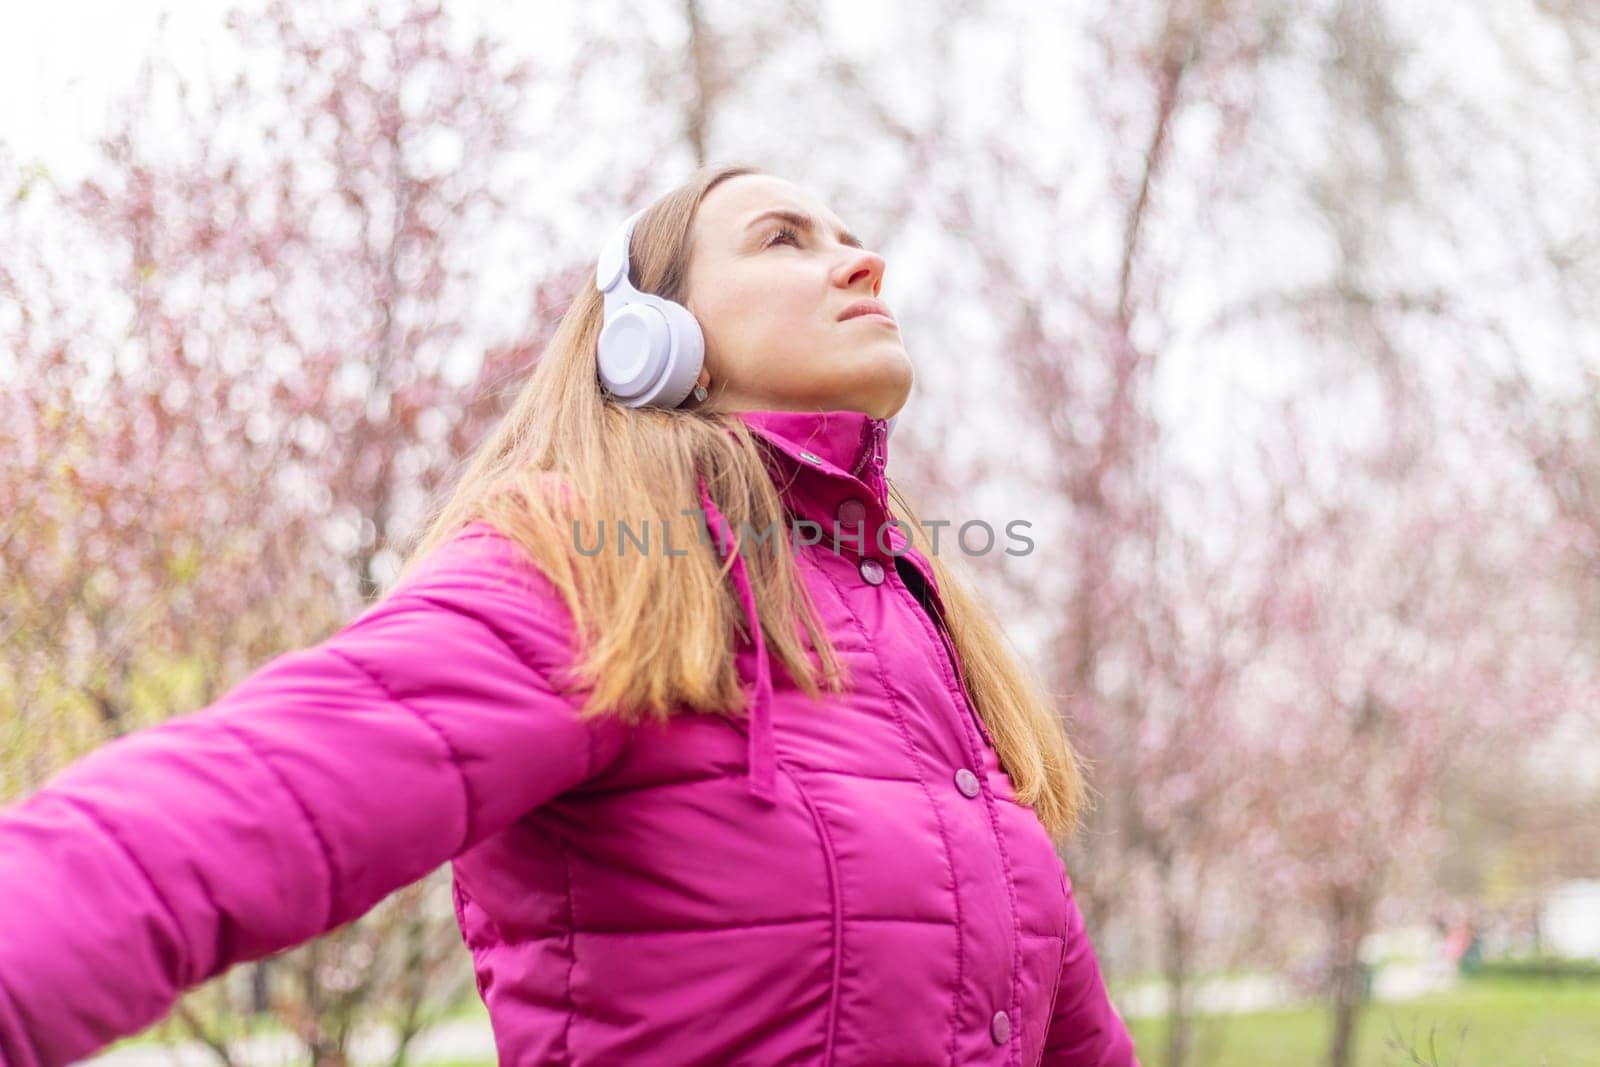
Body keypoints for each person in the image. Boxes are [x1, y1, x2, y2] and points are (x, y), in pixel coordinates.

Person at [0, 162, 1140, 1066]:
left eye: (848, 236)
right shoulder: (600, 564)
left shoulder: (925, 629)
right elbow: (260, 793)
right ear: (652, 341)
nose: (858, 261)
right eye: (785, 238)